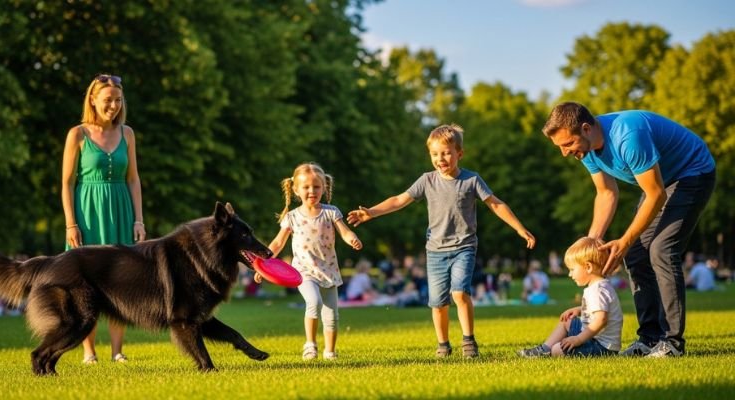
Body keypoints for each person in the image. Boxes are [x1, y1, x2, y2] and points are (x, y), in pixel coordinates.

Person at [347, 124, 536, 359]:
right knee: (437, 303)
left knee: (459, 293)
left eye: (446, 153)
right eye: (435, 154)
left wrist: (519, 228)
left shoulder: (471, 180)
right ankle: (443, 344)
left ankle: (468, 341)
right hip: (435, 251)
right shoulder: (427, 180)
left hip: (464, 247)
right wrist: (371, 212)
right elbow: (398, 200)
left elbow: (495, 204)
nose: (440, 159)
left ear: (459, 153)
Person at [542, 102, 716, 357]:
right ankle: (649, 338)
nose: (565, 153)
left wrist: (624, 240)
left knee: (661, 250)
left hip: (692, 173)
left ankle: (672, 342)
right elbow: (606, 193)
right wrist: (591, 244)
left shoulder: (628, 136)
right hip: (661, 182)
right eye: (560, 147)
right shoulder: (586, 150)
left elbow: (655, 194)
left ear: (586, 129)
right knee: (635, 254)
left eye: (567, 144)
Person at [62, 74, 146, 364]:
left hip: (121, 210)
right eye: (108, 100)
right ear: (93, 100)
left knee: (120, 280)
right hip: (87, 213)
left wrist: (138, 220)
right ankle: (89, 352)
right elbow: (67, 183)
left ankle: (117, 351)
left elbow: (133, 179)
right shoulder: (77, 134)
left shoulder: (128, 134)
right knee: (85, 283)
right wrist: (71, 224)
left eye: (118, 100)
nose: (113, 105)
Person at [256, 162, 362, 360]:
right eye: (306, 187)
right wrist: (263, 264)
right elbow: (278, 243)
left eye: (316, 186)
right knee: (314, 302)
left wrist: (352, 239)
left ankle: (330, 351)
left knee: (332, 315)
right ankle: (310, 345)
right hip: (303, 271)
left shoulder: (331, 212)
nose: (312, 191)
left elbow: (345, 232)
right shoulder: (292, 217)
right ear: (296, 190)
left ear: (324, 188)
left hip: (328, 269)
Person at [518, 237, 623, 358]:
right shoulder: (599, 286)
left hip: (602, 347)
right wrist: (579, 310)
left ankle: (548, 350)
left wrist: (578, 339)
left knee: (557, 349)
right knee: (567, 321)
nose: (570, 274)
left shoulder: (597, 290)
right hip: (593, 337)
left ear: (588, 267)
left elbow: (601, 320)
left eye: (572, 269)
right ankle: (544, 349)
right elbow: (599, 309)